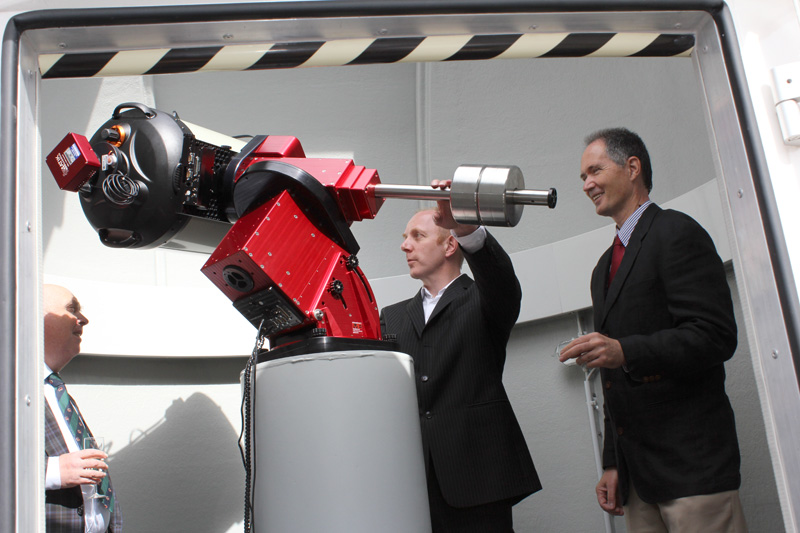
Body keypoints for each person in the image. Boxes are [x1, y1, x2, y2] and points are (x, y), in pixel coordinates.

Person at [560, 128, 746, 531]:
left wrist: (625, 350)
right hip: (638, 483)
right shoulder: (602, 268)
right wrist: (614, 463)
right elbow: (613, 380)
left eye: (595, 171)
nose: (587, 184)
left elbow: (715, 336)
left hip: (693, 472)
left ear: (632, 168)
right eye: (583, 177)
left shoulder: (677, 231)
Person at [380, 181, 541, 532]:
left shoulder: (484, 299)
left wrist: (466, 228)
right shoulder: (391, 317)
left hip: (478, 478)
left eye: (417, 236)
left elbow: (499, 277)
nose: (405, 245)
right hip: (413, 483)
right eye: (405, 237)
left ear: (450, 244)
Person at [43, 284, 122, 532]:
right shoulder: (11, 389)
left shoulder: (55, 390)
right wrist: (53, 471)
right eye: (71, 309)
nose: (83, 319)